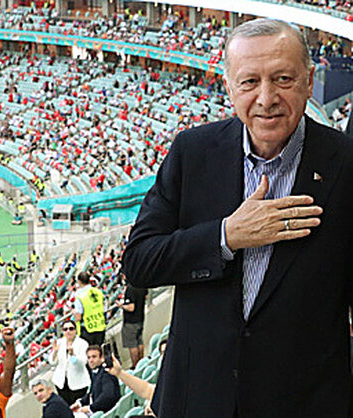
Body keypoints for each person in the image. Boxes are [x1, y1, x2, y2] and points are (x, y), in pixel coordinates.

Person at [121, 18, 353, 417]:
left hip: (305, 401)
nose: (266, 98)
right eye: (249, 82)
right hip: (197, 398)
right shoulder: (192, 152)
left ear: (309, 80)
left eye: (282, 78)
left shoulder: (346, 164)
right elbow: (140, 261)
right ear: (229, 86)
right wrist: (227, 236)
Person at [51, 319, 90, 406]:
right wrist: (55, 352)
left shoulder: (83, 344)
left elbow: (83, 362)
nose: (68, 331)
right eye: (65, 329)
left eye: (71, 329)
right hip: (61, 382)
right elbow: (52, 362)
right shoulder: (59, 342)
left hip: (78, 382)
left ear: (75, 330)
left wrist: (72, 355)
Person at [72, 345, 120, 414]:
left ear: (102, 358)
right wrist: (80, 403)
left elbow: (107, 396)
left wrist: (90, 408)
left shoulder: (106, 374)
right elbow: (92, 391)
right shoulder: (95, 372)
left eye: (94, 357)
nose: (91, 360)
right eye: (89, 358)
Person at [117, 277, 147, 366]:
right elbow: (146, 296)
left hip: (131, 322)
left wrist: (121, 305)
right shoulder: (141, 285)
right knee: (139, 342)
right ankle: (142, 363)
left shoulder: (130, 289)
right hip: (140, 318)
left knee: (132, 345)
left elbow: (131, 307)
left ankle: (136, 366)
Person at [73, 272, 106, 346]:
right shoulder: (99, 292)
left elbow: (78, 316)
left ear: (79, 281)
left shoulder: (80, 295)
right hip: (100, 325)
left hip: (88, 329)